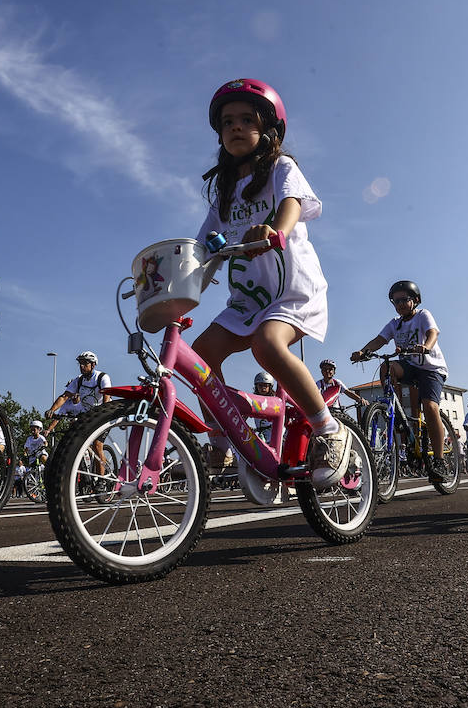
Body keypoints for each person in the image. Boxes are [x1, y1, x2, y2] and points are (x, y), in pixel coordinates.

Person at [193, 78, 347, 489]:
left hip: (292, 289)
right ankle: (223, 435)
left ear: (270, 131)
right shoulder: (223, 195)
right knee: (200, 354)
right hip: (248, 297)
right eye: (227, 122)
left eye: (247, 120)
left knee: (266, 344)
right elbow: (201, 245)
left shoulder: (281, 168)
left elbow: (291, 205)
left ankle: (326, 428)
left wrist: (275, 230)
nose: (236, 128)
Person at [352, 280, 450, 477]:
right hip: (411, 367)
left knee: (430, 407)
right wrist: (363, 351)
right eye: (396, 302)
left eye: (404, 300)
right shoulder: (394, 324)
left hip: (431, 368)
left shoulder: (423, 315)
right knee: (387, 366)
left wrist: (427, 346)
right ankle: (393, 408)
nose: (400, 305)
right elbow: (380, 340)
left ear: (415, 300)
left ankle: (439, 461)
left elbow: (433, 332)